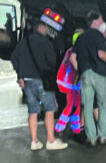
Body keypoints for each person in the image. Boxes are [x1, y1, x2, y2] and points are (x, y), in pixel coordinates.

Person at [10, 21, 67, 151]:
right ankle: (51, 140)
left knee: (33, 111)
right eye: (45, 28)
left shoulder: (24, 42)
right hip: (42, 81)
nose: (46, 30)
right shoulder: (44, 42)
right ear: (42, 28)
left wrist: (20, 74)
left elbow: (13, 58)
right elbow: (52, 60)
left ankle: (34, 141)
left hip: (27, 82)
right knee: (49, 109)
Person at [71, 9, 106, 147]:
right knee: (103, 105)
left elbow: (72, 58)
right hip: (99, 74)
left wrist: (81, 70)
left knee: (87, 106)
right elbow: (101, 54)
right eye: (101, 20)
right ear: (96, 22)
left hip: (85, 74)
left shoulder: (80, 38)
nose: (103, 23)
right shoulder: (98, 35)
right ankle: (103, 136)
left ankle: (91, 138)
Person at [54, 30, 84, 138]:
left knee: (77, 103)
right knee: (70, 105)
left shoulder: (72, 50)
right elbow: (75, 65)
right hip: (69, 82)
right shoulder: (75, 51)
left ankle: (76, 128)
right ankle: (59, 128)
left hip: (73, 82)